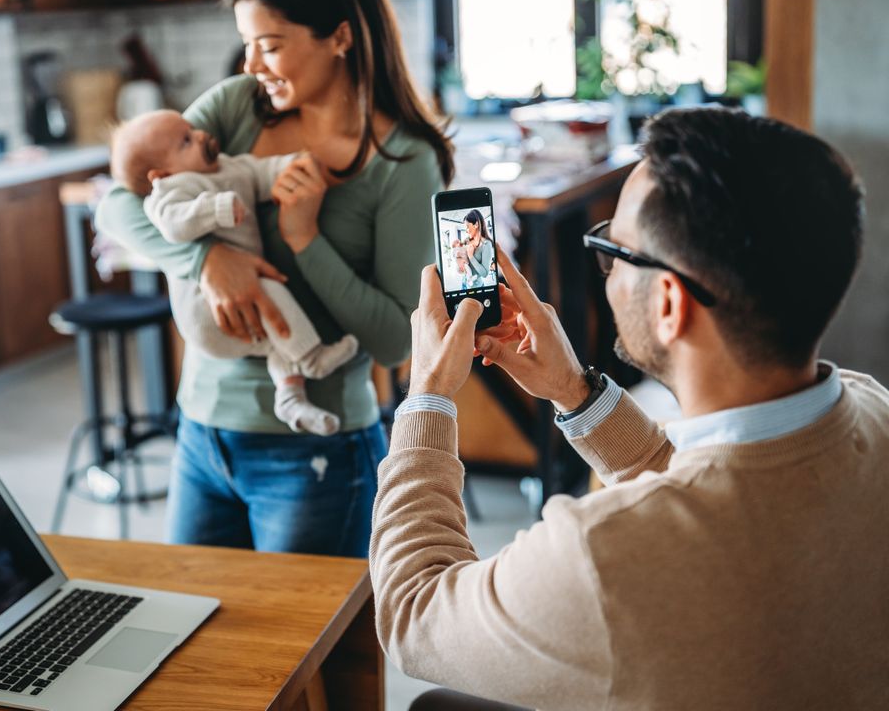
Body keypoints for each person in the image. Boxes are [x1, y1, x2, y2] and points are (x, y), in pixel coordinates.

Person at [370, 107, 889, 710]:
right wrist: (576, 391)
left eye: (612, 249)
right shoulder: (874, 412)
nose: (607, 272)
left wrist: (427, 398)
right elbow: (714, 496)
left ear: (670, 301)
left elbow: (414, 616)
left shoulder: (603, 556)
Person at [94, 0, 452, 556]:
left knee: (312, 656)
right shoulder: (238, 109)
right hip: (202, 434)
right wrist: (209, 257)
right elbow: (120, 201)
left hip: (316, 454)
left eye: (269, 45)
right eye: (246, 44)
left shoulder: (401, 162)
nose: (250, 65)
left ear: (339, 36)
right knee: (200, 650)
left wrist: (305, 238)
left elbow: (397, 339)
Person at [108, 109, 359, 436]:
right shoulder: (171, 190)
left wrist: (297, 165)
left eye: (192, 129)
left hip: (239, 298)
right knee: (272, 292)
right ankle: (312, 358)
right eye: (186, 141)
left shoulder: (230, 167)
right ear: (160, 173)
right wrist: (216, 210)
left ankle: (291, 400)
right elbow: (173, 224)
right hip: (205, 310)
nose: (199, 135)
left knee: (275, 341)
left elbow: (263, 172)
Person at [454, 209, 494, 288]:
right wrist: (459, 263)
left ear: (476, 224)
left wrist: (471, 256)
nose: (466, 230)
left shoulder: (486, 245)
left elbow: (485, 273)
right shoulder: (467, 240)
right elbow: (461, 260)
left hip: (476, 287)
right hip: (464, 284)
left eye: (467, 226)